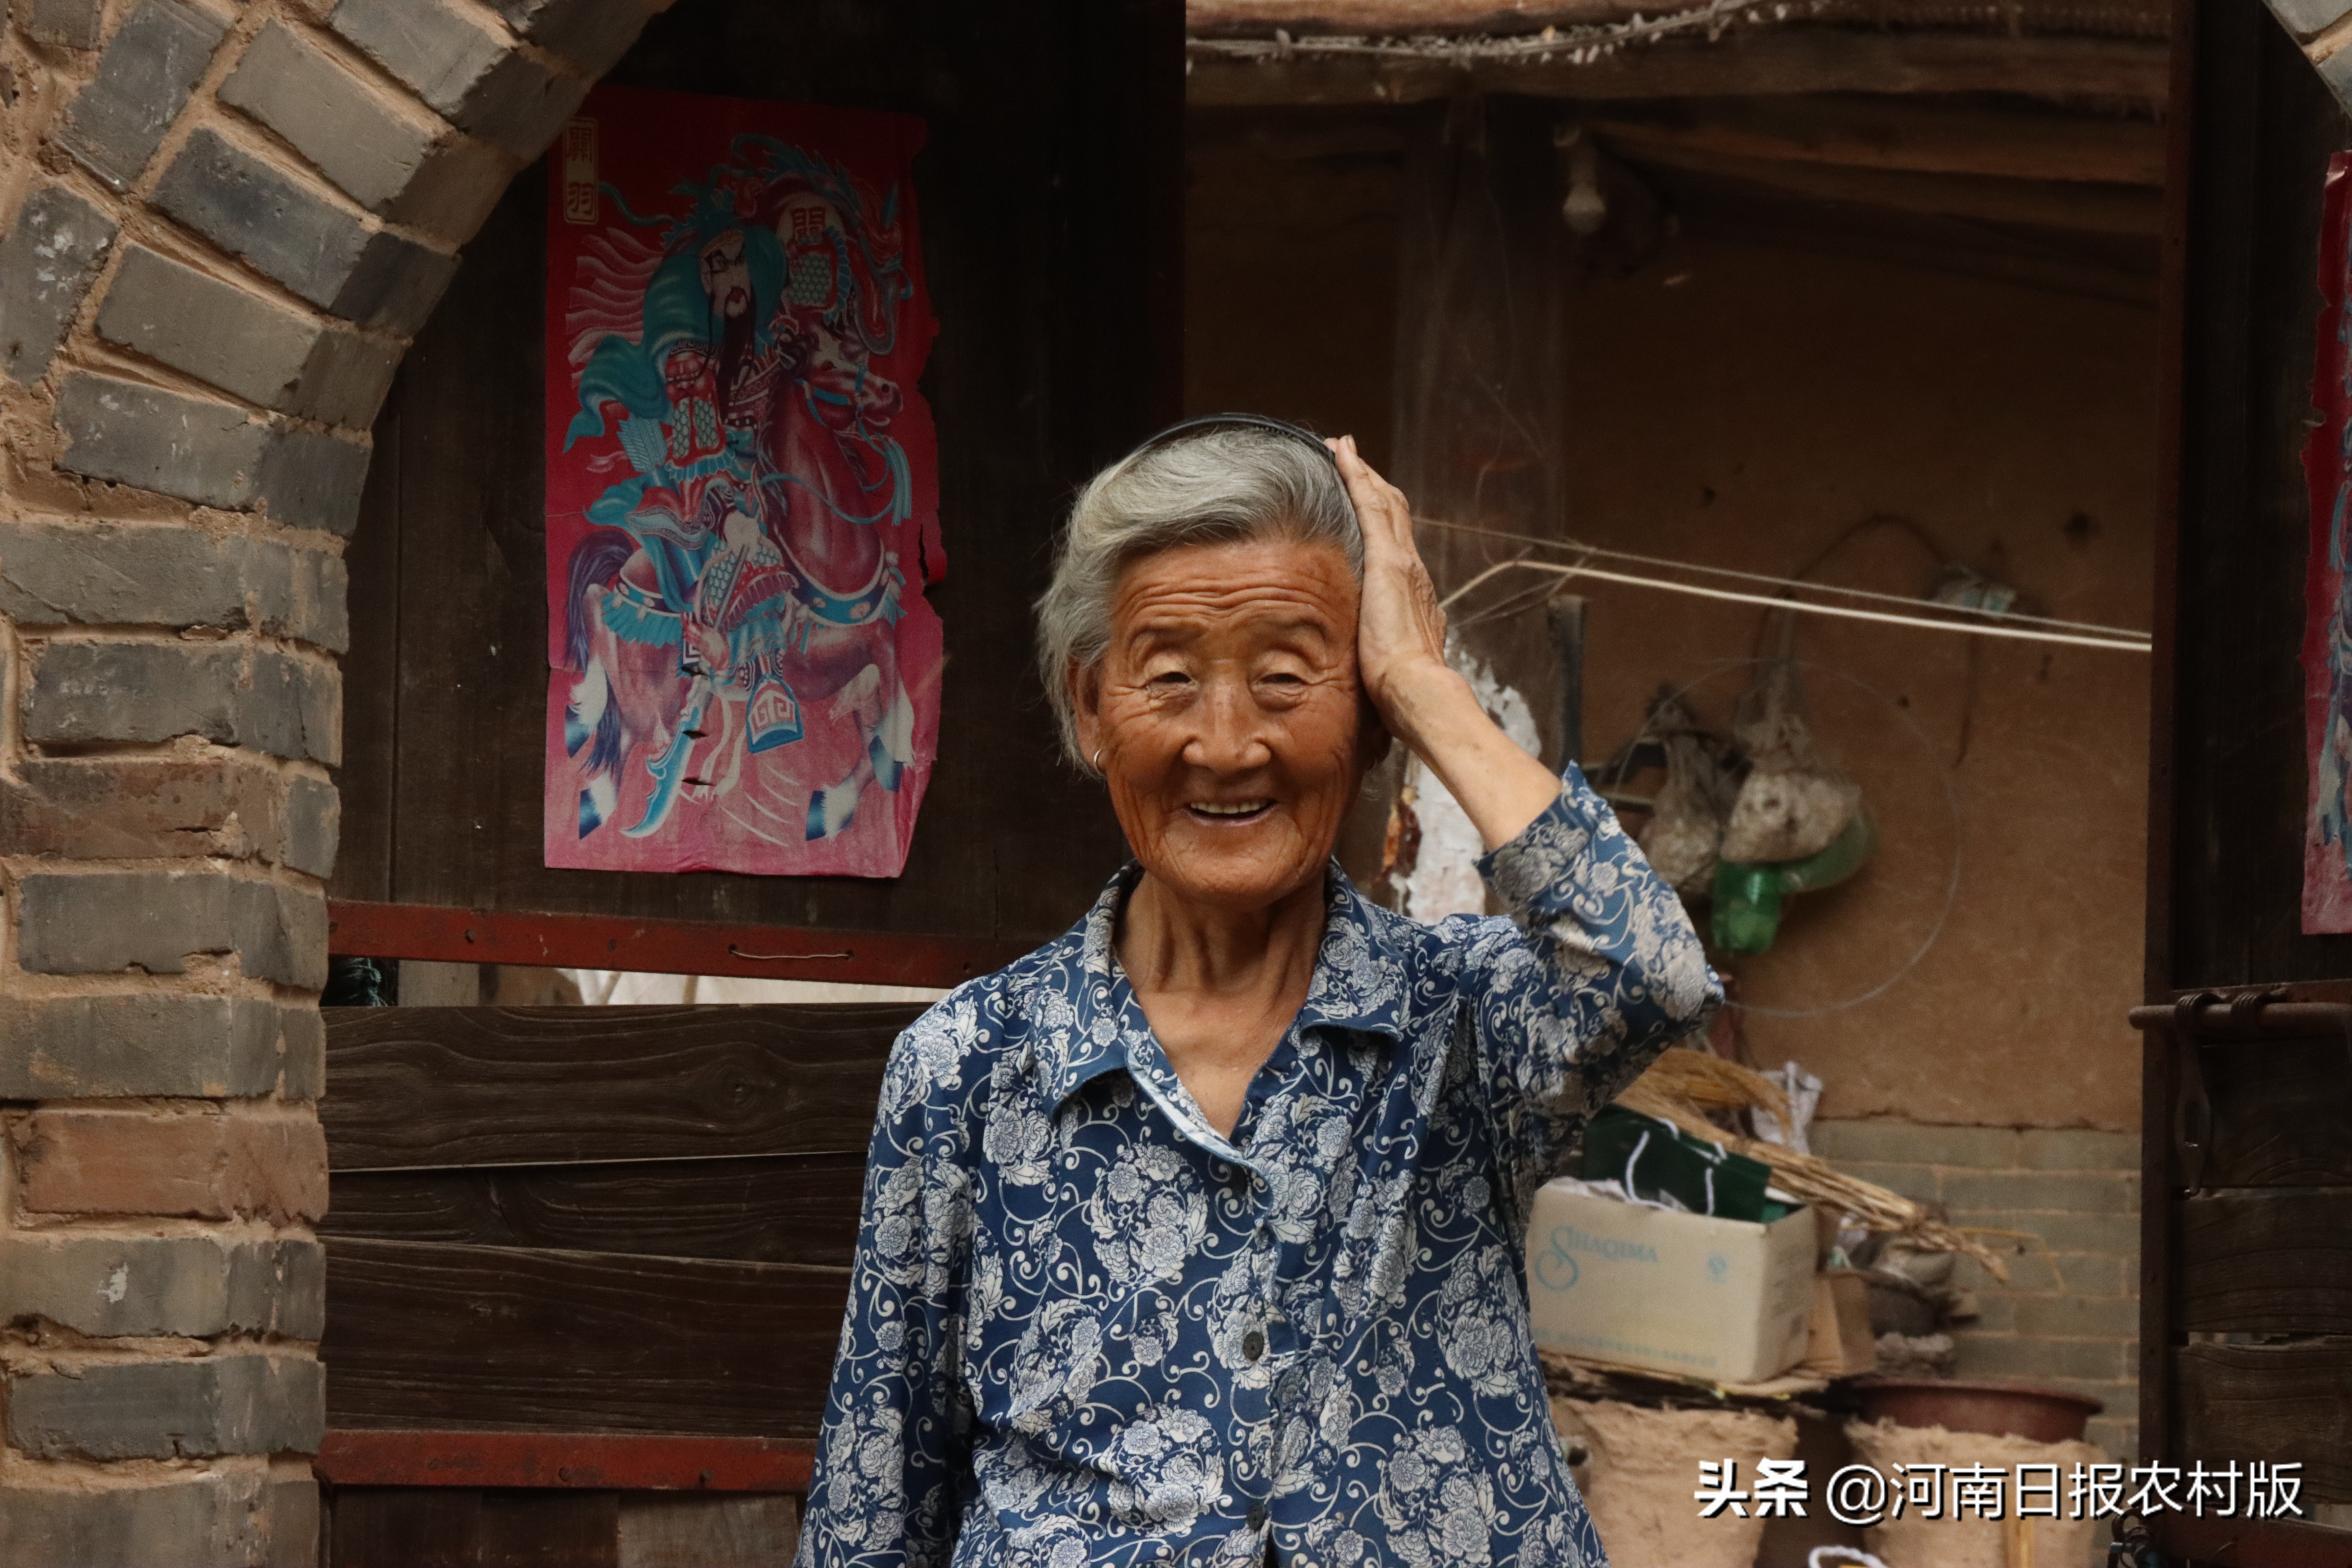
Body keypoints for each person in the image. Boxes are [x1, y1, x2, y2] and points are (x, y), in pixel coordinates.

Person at [795, 418, 1721, 1568]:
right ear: (1091, 708)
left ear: (1367, 714)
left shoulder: (1463, 1018)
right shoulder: (972, 1065)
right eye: (1170, 679)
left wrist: (1424, 682)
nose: (1227, 746)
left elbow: (1653, 973)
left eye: (1288, 678)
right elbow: (875, 1493)